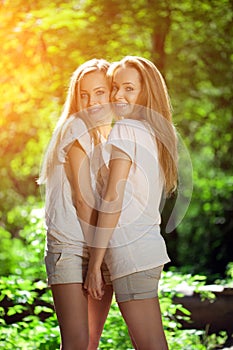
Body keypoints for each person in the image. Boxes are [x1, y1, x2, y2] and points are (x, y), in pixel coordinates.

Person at [84, 56, 178, 349]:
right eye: (114, 87)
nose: (117, 95)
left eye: (129, 88)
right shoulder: (153, 133)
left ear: (145, 92)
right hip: (144, 249)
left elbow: (113, 197)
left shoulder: (127, 129)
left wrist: (94, 264)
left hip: (131, 253)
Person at [38, 58, 114, 350]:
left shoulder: (104, 135)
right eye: (84, 93)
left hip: (96, 248)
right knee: (77, 343)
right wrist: (97, 260)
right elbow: (84, 201)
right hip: (70, 247)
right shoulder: (76, 127)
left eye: (99, 92)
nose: (91, 101)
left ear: (111, 93)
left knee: (91, 343)